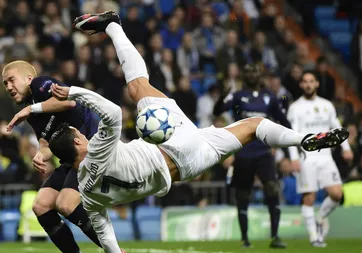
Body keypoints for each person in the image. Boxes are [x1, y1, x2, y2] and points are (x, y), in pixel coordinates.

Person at [46, 11, 349, 253]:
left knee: (254, 126)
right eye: (79, 133)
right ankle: (113, 26)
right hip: (173, 142)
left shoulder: (86, 192)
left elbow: (103, 230)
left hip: (190, 166)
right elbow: (111, 112)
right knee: (138, 86)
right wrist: (72, 91)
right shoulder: (98, 148)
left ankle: (304, 140)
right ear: (77, 140)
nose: (84, 133)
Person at [2, 61, 103, 252]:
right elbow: (46, 143)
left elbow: (69, 101)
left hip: (90, 150)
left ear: (28, 79)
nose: (8, 87)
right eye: (5, 83)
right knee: (41, 205)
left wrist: (31, 109)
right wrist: (41, 155)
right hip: (72, 161)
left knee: (65, 204)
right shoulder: (32, 113)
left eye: (11, 80)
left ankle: (115, 250)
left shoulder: (41, 85)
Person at [213, 64, 288, 248]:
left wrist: (290, 144)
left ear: (259, 74)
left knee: (272, 190)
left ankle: (275, 237)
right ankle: (245, 239)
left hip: (264, 153)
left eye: (254, 71)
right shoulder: (238, 96)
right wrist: (222, 97)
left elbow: (283, 119)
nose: (251, 74)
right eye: (247, 72)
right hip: (244, 152)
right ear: (244, 76)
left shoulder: (269, 96)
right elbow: (218, 111)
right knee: (243, 195)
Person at [287, 71, 353, 248]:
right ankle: (314, 237)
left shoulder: (327, 105)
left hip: (325, 157)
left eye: (311, 81)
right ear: (301, 85)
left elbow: (336, 127)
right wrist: (294, 158)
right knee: (309, 197)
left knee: (337, 194)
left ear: (316, 84)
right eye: (305, 82)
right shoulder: (295, 108)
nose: (308, 85)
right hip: (306, 157)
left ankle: (320, 218)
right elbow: (291, 135)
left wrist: (346, 148)